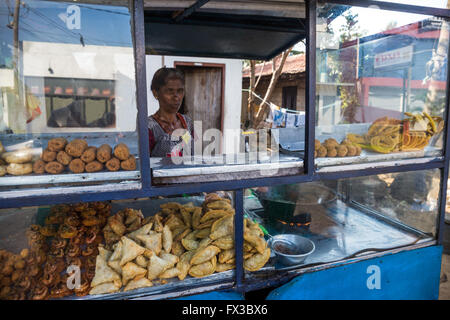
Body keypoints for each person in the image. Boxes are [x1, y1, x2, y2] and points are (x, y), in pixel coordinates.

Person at [148, 67, 194, 158]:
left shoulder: (187, 122)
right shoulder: (149, 127)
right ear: (155, 93)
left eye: (180, 91)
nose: (176, 97)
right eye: (170, 91)